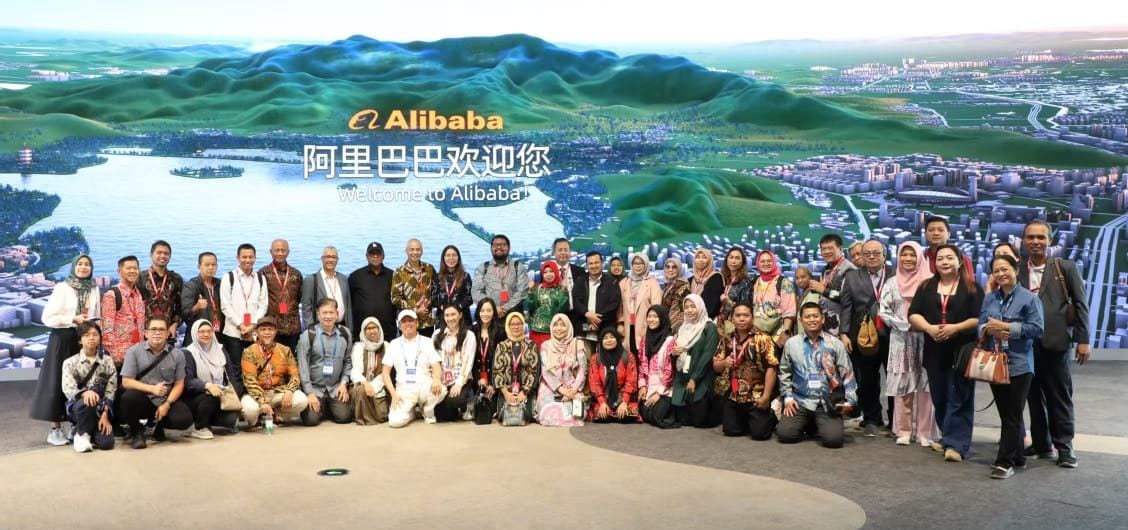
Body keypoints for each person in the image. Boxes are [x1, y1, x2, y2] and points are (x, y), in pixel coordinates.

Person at [1019, 219, 1089, 468]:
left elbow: (1080, 304)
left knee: (1059, 396)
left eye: (1041, 237)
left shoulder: (1065, 267)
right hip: (1024, 345)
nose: (1036, 242)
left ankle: (1065, 447)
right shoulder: (1017, 269)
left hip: (1056, 342)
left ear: (1049, 240)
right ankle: (1041, 443)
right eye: (1031, 237)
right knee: (1033, 397)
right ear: (1023, 241)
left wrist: (1083, 340)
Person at [908, 245, 984, 462]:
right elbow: (913, 314)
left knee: (960, 397)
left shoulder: (972, 288)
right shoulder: (926, 286)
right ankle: (947, 436)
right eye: (940, 258)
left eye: (950, 258)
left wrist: (955, 328)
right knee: (939, 396)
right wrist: (929, 328)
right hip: (934, 350)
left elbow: (980, 318)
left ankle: (957, 445)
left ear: (959, 262)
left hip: (962, 349)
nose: (944, 262)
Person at [980, 254, 1045, 479]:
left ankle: (1004, 462)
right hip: (995, 362)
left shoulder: (1029, 298)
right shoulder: (990, 299)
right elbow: (980, 324)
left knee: (1012, 415)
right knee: (1006, 414)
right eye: (996, 271)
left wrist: (1008, 328)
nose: (1001, 274)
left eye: (1005, 269)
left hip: (1019, 364)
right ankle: (1017, 456)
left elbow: (1037, 329)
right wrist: (987, 329)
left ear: (1016, 270)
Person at [32, 254, 100, 446]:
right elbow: (48, 317)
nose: (83, 267)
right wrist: (73, 319)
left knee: (81, 381)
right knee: (57, 382)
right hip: (62, 338)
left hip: (84, 340)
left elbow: (97, 314)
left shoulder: (94, 288)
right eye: (80, 264)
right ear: (73, 267)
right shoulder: (62, 287)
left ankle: (76, 425)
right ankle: (55, 429)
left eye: (87, 264)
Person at [877, 242, 937, 447]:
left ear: (920, 257)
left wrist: (925, 326)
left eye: (913, 255)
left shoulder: (930, 282)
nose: (908, 259)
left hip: (927, 338)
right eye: (904, 255)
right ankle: (903, 430)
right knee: (903, 385)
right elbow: (884, 310)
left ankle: (925, 432)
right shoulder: (892, 283)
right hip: (901, 339)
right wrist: (906, 325)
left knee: (926, 386)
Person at [777, 303, 858, 448]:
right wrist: (788, 398)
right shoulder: (791, 344)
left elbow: (847, 373)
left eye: (815, 316)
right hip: (801, 400)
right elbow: (784, 372)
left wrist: (850, 401)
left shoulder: (835, 344)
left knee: (833, 441)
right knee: (785, 434)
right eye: (807, 317)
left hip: (827, 402)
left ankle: (819, 424)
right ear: (801, 320)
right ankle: (810, 424)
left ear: (823, 319)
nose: (812, 320)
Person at [838, 240, 892, 437]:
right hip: (863, 335)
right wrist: (844, 333)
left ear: (884, 254)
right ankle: (871, 418)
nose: (871, 256)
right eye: (867, 253)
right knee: (867, 379)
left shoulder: (895, 274)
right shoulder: (852, 277)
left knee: (894, 379)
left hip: (892, 334)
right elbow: (846, 307)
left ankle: (895, 419)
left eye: (876, 253)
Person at [119, 316, 193, 449]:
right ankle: (137, 432)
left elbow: (179, 384)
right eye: (153, 329)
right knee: (128, 398)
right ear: (146, 333)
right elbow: (126, 381)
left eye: (161, 330)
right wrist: (152, 389)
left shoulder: (178, 354)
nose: (157, 333)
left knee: (183, 419)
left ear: (167, 333)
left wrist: (167, 404)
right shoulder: (133, 351)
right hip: (143, 398)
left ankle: (158, 425)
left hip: (165, 399)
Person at [718, 303, 779, 440]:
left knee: (759, 434)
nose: (742, 319)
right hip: (734, 395)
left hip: (757, 395)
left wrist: (766, 397)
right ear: (732, 319)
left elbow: (772, 368)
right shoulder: (727, 338)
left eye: (746, 315)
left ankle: (770, 416)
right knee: (731, 431)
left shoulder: (763, 338)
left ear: (753, 317)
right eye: (738, 315)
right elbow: (716, 365)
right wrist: (724, 363)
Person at [239, 317, 309, 429]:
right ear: (257, 332)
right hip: (256, 394)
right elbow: (250, 381)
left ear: (276, 331)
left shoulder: (285, 350)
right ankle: (256, 420)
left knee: (302, 400)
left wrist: (290, 390)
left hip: (277, 392)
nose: (267, 332)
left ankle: (276, 416)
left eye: (270, 329)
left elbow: (295, 375)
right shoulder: (249, 352)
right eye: (263, 329)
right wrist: (263, 401)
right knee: (250, 410)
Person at [219, 243, 269, 396]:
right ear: (238, 258)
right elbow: (225, 305)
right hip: (233, 332)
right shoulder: (229, 277)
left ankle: (254, 399)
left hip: (253, 332)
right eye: (244, 257)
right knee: (235, 369)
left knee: (254, 367)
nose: (247, 260)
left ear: (255, 258)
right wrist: (241, 325)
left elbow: (263, 305)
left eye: (250, 257)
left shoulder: (260, 278)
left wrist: (253, 324)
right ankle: (238, 400)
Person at [382, 310, 445, 427]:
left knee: (442, 389)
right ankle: (410, 413)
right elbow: (385, 373)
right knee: (395, 422)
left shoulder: (427, 341)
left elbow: (436, 365)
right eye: (404, 321)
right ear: (399, 325)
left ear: (417, 323)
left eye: (410, 320)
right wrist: (393, 394)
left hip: (424, 387)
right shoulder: (393, 344)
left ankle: (427, 409)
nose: (407, 324)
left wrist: (436, 379)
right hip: (404, 390)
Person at [296, 299, 354, 426]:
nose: (328, 316)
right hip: (315, 388)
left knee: (345, 417)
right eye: (324, 313)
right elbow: (303, 367)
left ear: (337, 314)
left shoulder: (345, 334)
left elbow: (348, 361)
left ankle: (327, 407)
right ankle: (321, 406)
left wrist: (344, 383)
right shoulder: (308, 335)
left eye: (331, 312)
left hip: (335, 387)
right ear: (318, 314)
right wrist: (309, 393)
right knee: (311, 420)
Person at [61, 322, 117, 453]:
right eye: (86, 335)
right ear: (80, 340)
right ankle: (82, 435)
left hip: (100, 409)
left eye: (95, 334)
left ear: (100, 338)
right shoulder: (70, 362)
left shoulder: (107, 361)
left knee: (107, 443)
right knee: (88, 400)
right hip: (79, 407)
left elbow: (111, 390)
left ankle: (83, 430)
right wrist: (85, 393)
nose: (91, 338)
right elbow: (68, 388)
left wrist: (105, 414)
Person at [671, 294, 721, 428]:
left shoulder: (709, 328)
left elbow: (707, 355)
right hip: (683, 376)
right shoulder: (683, 328)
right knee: (681, 419)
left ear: (700, 307)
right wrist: (674, 354)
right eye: (686, 307)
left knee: (700, 420)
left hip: (701, 377)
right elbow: (677, 357)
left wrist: (694, 378)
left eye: (693, 306)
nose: (689, 310)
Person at [182, 320, 239, 438]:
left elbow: (231, 374)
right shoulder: (189, 353)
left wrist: (233, 393)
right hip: (199, 396)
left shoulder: (220, 349)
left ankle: (209, 420)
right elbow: (188, 381)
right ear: (195, 333)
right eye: (202, 332)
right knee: (209, 398)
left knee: (230, 420)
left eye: (209, 331)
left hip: (221, 394)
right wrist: (207, 385)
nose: (206, 334)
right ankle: (199, 427)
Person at [536, 313, 587, 427]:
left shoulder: (577, 344)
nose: (558, 328)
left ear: (569, 327)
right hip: (551, 387)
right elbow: (546, 372)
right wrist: (562, 390)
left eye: (563, 325)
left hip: (572, 386)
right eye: (555, 325)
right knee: (546, 413)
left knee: (578, 414)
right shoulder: (545, 346)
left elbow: (582, 369)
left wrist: (573, 390)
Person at [492, 312, 540, 424]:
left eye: (519, 324)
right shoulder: (501, 346)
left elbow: (534, 371)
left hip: (526, 391)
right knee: (503, 417)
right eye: (512, 324)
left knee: (527, 416)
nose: (516, 327)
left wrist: (524, 392)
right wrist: (506, 393)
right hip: (506, 391)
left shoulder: (531, 345)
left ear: (523, 325)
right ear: (508, 326)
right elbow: (497, 371)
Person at [805, 234, 856, 337]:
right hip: (825, 327)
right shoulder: (826, 268)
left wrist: (823, 290)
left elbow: (848, 298)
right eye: (823, 249)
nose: (826, 252)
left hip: (841, 330)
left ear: (840, 249)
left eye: (830, 248)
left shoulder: (849, 269)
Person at [433, 305, 477, 422]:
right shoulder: (437, 334)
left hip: (461, 378)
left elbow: (468, 362)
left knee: (454, 402)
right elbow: (433, 360)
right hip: (442, 379)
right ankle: (452, 409)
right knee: (441, 414)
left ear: (460, 315)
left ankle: (465, 407)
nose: (450, 318)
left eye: (453, 314)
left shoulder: (469, 335)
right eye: (447, 315)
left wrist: (458, 384)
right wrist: (436, 380)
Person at [100, 255, 145, 367]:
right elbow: (107, 328)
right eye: (128, 268)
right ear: (119, 271)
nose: (132, 271)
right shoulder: (112, 294)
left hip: (139, 353)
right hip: (120, 356)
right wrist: (114, 355)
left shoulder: (139, 293)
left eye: (135, 268)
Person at [638, 305, 678, 428]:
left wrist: (659, 393)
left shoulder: (670, 340)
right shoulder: (645, 339)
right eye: (649, 316)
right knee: (643, 412)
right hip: (648, 385)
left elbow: (669, 370)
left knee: (656, 416)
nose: (651, 320)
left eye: (655, 317)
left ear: (662, 319)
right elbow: (642, 364)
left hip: (664, 388)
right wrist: (642, 386)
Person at [573, 251, 622, 354]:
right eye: (590, 263)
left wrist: (597, 320)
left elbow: (614, 305)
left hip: (605, 329)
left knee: (603, 359)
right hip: (584, 328)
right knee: (585, 359)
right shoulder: (580, 281)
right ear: (587, 265)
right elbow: (576, 301)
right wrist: (587, 314)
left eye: (596, 262)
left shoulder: (612, 282)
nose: (594, 266)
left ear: (602, 263)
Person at [587, 328, 640, 423]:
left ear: (617, 339)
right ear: (601, 341)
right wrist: (602, 403)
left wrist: (624, 402)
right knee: (602, 415)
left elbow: (631, 380)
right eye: (605, 338)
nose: (609, 340)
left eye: (612, 337)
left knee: (627, 414)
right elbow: (594, 382)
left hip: (623, 395)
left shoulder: (628, 356)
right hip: (604, 395)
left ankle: (619, 410)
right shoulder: (596, 358)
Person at [472, 234, 530, 317]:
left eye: (503, 245)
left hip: (513, 316)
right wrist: (493, 308)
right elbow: (476, 292)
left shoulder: (518, 267)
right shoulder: (483, 267)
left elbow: (522, 291)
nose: (499, 247)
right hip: (489, 316)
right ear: (491, 248)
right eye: (495, 245)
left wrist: (505, 308)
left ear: (509, 248)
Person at [260, 239, 303, 350]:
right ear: (271, 252)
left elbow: (299, 297)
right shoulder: (262, 273)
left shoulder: (296, 274)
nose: (280, 253)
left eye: (283, 250)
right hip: (271, 327)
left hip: (293, 327)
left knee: (291, 356)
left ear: (288, 252)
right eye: (277, 250)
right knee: (272, 357)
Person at [350, 242, 397, 340]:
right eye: (372, 254)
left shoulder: (393, 276)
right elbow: (349, 302)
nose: (375, 256)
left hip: (387, 332)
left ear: (383, 256)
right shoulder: (355, 276)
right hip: (362, 333)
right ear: (366, 256)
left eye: (378, 254)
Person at [138, 240, 184, 341]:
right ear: (151, 255)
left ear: (170, 256)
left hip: (168, 332)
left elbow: (181, 306)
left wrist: (175, 324)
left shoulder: (176, 279)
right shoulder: (140, 278)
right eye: (159, 252)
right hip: (145, 332)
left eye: (166, 253)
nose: (162, 256)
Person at [348, 317, 390, 425]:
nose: (372, 331)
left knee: (383, 411)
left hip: (381, 384)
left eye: (374, 327)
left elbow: (386, 373)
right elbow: (356, 371)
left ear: (379, 329)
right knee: (361, 390)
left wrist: (373, 386)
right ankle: (365, 418)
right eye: (368, 328)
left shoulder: (387, 346)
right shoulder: (359, 347)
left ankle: (372, 416)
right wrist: (366, 384)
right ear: (364, 331)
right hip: (362, 383)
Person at [391, 238, 437, 337]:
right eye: (412, 249)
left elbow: (436, 290)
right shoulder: (399, 272)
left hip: (427, 322)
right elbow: (395, 299)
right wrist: (415, 310)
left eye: (418, 249)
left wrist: (429, 304)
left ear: (422, 251)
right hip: (408, 322)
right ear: (406, 251)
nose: (415, 252)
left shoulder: (429, 269)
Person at [301, 246, 353, 333]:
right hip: (320, 329)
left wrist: (349, 330)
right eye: (328, 257)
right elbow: (306, 308)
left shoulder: (343, 279)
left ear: (337, 260)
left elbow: (348, 306)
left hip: (342, 328)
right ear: (322, 259)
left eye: (334, 257)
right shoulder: (311, 280)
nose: (331, 260)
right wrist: (312, 330)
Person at [751, 250, 797, 348]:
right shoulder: (754, 281)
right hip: (755, 336)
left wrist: (786, 332)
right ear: (758, 263)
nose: (766, 264)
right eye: (762, 261)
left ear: (774, 262)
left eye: (769, 261)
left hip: (777, 338)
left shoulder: (784, 283)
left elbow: (789, 311)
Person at [619, 253, 662, 356]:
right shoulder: (624, 282)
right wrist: (620, 323)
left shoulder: (652, 283)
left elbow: (657, 307)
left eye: (641, 263)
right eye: (635, 263)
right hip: (628, 328)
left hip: (646, 327)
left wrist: (652, 325)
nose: (638, 266)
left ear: (646, 265)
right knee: (630, 357)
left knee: (644, 356)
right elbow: (619, 307)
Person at [180, 251, 222, 349]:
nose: (211, 267)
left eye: (213, 265)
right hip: (198, 337)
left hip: (218, 335)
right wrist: (197, 307)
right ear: (199, 267)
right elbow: (185, 313)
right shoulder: (191, 286)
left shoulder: (220, 284)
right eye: (207, 265)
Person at [472, 298, 505, 414]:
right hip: (477, 379)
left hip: (494, 379)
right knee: (479, 408)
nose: (485, 314)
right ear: (478, 312)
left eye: (489, 310)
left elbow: (502, 361)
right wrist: (478, 379)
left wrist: (493, 383)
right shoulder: (472, 331)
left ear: (494, 312)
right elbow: (470, 360)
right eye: (482, 310)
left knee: (490, 410)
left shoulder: (501, 331)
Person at [526, 260, 569, 348]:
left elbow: (562, 310)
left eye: (551, 271)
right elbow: (531, 308)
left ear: (556, 272)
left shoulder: (560, 289)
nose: (548, 274)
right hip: (536, 331)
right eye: (545, 272)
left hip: (555, 331)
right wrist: (530, 292)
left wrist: (565, 291)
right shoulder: (538, 288)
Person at [431, 244, 473, 330]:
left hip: (462, 317)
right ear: (443, 258)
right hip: (443, 317)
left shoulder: (465, 276)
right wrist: (443, 307)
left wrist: (456, 309)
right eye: (448, 255)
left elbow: (470, 298)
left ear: (458, 258)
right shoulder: (437, 277)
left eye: (454, 255)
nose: (451, 258)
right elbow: (433, 298)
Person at [551, 238, 588, 333]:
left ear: (570, 252)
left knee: (580, 341)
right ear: (554, 253)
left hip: (578, 317)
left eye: (566, 250)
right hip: (556, 319)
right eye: (560, 250)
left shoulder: (580, 271)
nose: (563, 253)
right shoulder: (548, 273)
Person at [719, 247, 753, 321]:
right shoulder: (722, 278)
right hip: (719, 321)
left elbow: (746, 309)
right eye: (731, 257)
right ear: (726, 260)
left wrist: (729, 302)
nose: (733, 261)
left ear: (743, 262)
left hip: (734, 322)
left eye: (737, 258)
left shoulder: (745, 282)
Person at [689, 248, 724, 319]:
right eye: (698, 257)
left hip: (708, 320)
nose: (700, 260)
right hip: (691, 319)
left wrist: (701, 319)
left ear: (710, 260)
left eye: (704, 257)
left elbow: (714, 305)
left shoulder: (716, 278)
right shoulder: (690, 280)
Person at [660, 257, 691, 332]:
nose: (670, 270)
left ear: (679, 269)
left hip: (677, 327)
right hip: (666, 325)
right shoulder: (669, 285)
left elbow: (679, 310)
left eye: (674, 267)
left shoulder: (683, 285)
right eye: (667, 267)